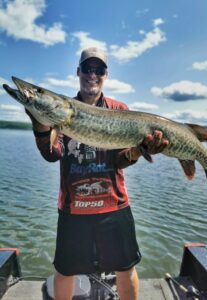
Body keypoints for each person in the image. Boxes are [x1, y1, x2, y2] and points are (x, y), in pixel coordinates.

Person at [27, 47, 169, 300]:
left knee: (125, 269)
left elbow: (120, 161)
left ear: (106, 74)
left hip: (114, 207)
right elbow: (52, 154)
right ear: (78, 72)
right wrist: (40, 125)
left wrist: (139, 151)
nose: (93, 74)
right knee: (65, 270)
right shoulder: (61, 110)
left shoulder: (120, 109)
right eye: (87, 69)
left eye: (99, 69)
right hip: (74, 208)